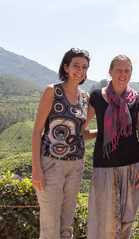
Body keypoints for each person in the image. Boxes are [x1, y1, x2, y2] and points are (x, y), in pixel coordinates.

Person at [31, 48, 96, 239]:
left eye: (84, 67)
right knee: (50, 226)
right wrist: (36, 168)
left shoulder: (86, 98)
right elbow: (37, 131)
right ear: (66, 67)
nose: (80, 70)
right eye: (76, 65)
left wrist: (104, 133)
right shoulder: (53, 91)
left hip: (76, 165)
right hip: (51, 163)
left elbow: (79, 134)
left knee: (66, 225)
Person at [86, 55, 139, 239]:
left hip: (133, 166)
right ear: (110, 72)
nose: (122, 74)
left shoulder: (137, 98)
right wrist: (105, 132)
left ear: (131, 73)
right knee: (103, 223)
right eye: (118, 70)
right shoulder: (97, 96)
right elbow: (82, 129)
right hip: (103, 168)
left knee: (126, 224)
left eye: (127, 70)